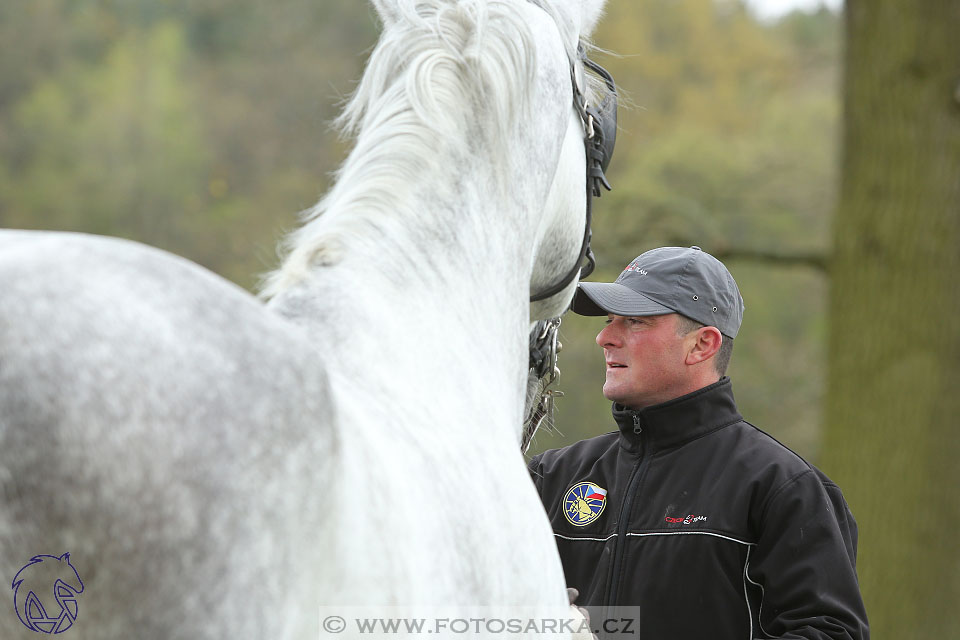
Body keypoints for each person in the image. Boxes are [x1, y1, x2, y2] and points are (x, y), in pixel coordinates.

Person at [528, 246, 869, 640]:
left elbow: (831, 633)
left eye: (634, 322)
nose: (605, 337)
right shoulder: (549, 477)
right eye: (609, 321)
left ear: (702, 345)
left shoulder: (782, 487)